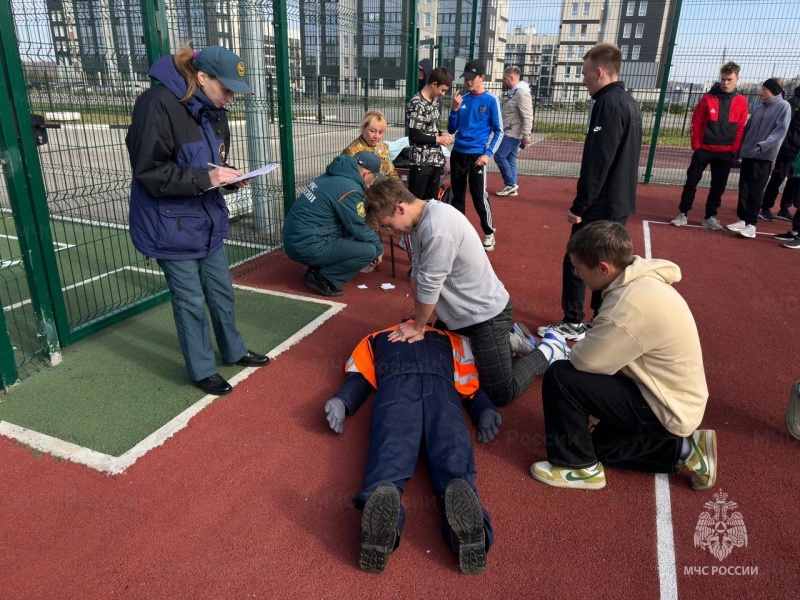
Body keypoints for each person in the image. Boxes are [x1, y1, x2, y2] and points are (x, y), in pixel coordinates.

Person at [126, 45, 269, 397]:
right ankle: (202, 370)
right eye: (228, 88)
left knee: (221, 291)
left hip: (204, 219)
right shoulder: (157, 103)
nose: (232, 97)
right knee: (190, 301)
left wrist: (228, 177)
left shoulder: (213, 109)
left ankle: (233, 351)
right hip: (168, 223)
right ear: (202, 77)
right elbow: (149, 171)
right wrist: (207, 179)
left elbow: (208, 164)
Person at [530, 222, 715, 492]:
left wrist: (564, 350)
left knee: (561, 377)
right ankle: (686, 449)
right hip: (673, 400)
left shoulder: (627, 303)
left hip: (666, 407)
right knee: (601, 447)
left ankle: (577, 467)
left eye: (579, 268)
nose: (576, 274)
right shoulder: (641, 281)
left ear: (603, 268)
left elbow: (584, 362)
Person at [363, 177, 570, 408]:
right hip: (462, 314)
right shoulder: (420, 219)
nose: (390, 232)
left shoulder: (437, 228)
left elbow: (430, 285)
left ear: (400, 208)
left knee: (500, 393)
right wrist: (417, 319)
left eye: (388, 225)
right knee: (445, 354)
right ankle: (510, 340)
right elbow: (417, 275)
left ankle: (548, 350)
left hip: (486, 316)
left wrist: (419, 326)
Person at [324, 322, 501, 575]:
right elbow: (468, 381)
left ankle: (383, 529)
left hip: (395, 394)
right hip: (442, 395)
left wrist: (343, 399)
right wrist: (482, 407)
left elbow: (360, 376)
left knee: (389, 456)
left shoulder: (376, 337)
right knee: (454, 459)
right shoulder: (453, 339)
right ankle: (470, 532)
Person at [538, 43, 642, 341]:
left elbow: (600, 159)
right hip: (618, 201)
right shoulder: (628, 101)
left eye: (584, 74)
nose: (582, 80)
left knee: (578, 259)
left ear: (599, 72)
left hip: (600, 203)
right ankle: (600, 320)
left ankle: (573, 321)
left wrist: (580, 205)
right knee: (607, 264)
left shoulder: (607, 103)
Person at [282, 152, 384, 297]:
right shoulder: (349, 188)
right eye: (372, 178)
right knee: (369, 250)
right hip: (305, 244)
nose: (370, 182)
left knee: (348, 233)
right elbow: (358, 226)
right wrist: (379, 249)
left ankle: (316, 268)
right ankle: (323, 278)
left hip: (296, 237)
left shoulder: (335, 175)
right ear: (366, 174)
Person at [670, 62, 748, 231]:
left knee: (718, 187)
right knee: (691, 182)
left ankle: (709, 216)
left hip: (726, 152)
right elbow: (696, 121)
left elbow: (741, 127)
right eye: (723, 79)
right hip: (704, 149)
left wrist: (734, 150)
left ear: (737, 79)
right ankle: (683, 213)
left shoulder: (741, 101)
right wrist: (696, 146)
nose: (725, 83)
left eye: (729, 79)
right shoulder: (707, 98)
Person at [447, 59, 503, 251]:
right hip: (458, 154)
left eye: (472, 78)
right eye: (466, 78)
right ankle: (459, 233)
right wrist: (454, 109)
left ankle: (489, 232)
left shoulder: (491, 100)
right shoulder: (462, 100)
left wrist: (488, 154)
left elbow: (499, 131)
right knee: (457, 196)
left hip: (477, 156)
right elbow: (451, 129)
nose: (468, 81)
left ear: (482, 77)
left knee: (479, 196)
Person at [726, 79, 791, 238]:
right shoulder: (760, 108)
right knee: (744, 187)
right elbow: (748, 129)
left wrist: (764, 145)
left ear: (773, 90)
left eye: (764, 89)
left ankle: (751, 224)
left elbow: (780, 130)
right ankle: (742, 219)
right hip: (749, 153)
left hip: (764, 156)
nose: (761, 92)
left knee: (756, 190)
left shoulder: (784, 106)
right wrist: (742, 149)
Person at [406, 67, 455, 200]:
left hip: (434, 162)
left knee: (432, 204)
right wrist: (438, 139)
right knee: (417, 204)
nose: (443, 94)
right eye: (442, 90)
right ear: (434, 84)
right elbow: (415, 135)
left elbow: (428, 128)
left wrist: (441, 134)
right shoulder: (417, 103)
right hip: (421, 164)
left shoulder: (433, 101)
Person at [759, 85, 800, 222]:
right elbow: (784, 126)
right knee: (778, 178)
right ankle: (765, 208)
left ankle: (784, 209)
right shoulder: (794, 102)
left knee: (793, 181)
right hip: (788, 150)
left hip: (798, 152)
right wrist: (787, 146)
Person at [494, 66, 533, 197]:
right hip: (510, 131)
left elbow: (527, 115)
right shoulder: (515, 93)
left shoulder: (521, 93)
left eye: (505, 78)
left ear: (511, 78)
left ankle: (510, 184)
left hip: (512, 133)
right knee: (510, 159)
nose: (504, 81)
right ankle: (512, 186)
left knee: (499, 156)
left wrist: (526, 134)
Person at [342, 110, 398, 179]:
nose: (376, 136)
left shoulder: (383, 147)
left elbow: (391, 173)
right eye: (373, 131)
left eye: (380, 132)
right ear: (364, 128)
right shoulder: (352, 151)